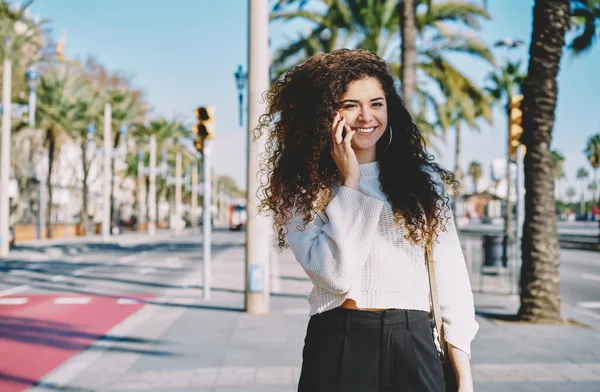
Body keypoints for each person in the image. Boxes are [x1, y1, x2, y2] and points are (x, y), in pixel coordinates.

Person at [255, 49, 478, 392]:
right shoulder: (302, 188)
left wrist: (463, 374)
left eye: (376, 103)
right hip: (336, 342)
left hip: (412, 340)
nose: (365, 116)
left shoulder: (421, 181)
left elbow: (451, 277)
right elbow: (336, 275)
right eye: (350, 105)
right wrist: (350, 184)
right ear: (325, 113)